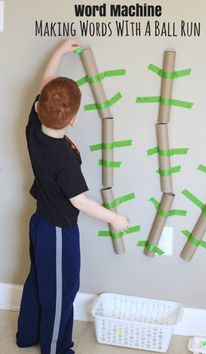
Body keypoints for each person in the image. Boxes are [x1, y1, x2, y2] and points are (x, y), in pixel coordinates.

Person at [15, 39, 130, 354]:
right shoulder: (63, 160)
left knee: (39, 280)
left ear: (38, 107)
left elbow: (45, 84)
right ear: (75, 119)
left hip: (40, 221)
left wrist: (60, 52)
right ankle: (55, 349)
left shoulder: (34, 128)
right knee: (61, 293)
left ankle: (26, 335)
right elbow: (80, 201)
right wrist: (115, 218)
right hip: (57, 231)